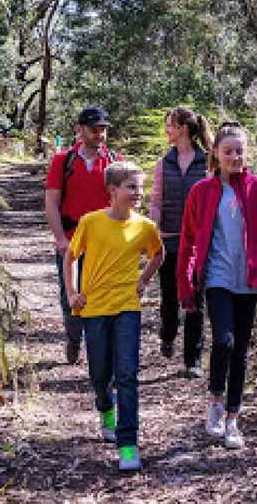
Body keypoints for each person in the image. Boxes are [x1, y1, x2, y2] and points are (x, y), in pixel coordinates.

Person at [176, 121, 257, 449]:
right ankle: (214, 403)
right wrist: (185, 286)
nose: (234, 157)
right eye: (228, 151)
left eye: (239, 151)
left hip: (248, 281)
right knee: (223, 341)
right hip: (218, 279)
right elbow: (188, 241)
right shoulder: (202, 192)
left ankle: (233, 420)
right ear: (216, 154)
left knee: (240, 352)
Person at [64, 161, 164, 471]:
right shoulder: (91, 222)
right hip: (93, 308)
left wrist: (144, 279)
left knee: (127, 374)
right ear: (112, 191)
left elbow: (158, 253)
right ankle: (105, 407)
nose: (138, 193)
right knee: (100, 374)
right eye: (131, 187)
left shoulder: (145, 226)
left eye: (140, 187)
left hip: (127, 308)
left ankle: (128, 443)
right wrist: (71, 293)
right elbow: (70, 256)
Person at [45, 106, 122, 364]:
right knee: (71, 295)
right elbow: (52, 201)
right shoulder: (62, 161)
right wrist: (60, 239)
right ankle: (74, 338)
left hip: (105, 243)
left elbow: (123, 203)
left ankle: (99, 351)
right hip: (72, 239)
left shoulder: (114, 162)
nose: (99, 134)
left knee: (101, 296)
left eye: (103, 129)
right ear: (80, 130)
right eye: (94, 129)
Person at [149, 107, 212, 377]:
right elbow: (156, 202)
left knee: (195, 299)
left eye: (171, 126)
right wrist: (152, 233)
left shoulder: (208, 162)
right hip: (170, 240)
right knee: (170, 297)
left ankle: (193, 360)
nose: (167, 132)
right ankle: (167, 333)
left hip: (199, 243)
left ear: (184, 129)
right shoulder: (164, 163)